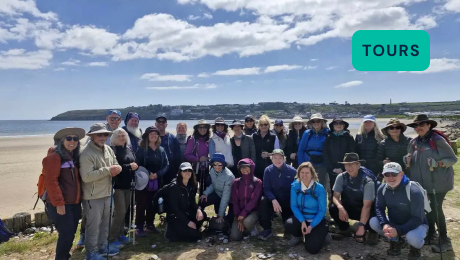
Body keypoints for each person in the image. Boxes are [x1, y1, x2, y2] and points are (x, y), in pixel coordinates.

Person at [405, 114, 457, 252]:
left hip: (438, 183)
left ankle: (444, 240)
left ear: (429, 125)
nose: (418, 128)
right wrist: (407, 161)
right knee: (427, 208)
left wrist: (439, 163)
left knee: (435, 208)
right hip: (420, 184)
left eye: (421, 124)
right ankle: (431, 234)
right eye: (416, 125)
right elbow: (409, 160)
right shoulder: (414, 142)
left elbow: (452, 158)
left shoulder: (437, 140)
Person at [42, 127, 85, 260]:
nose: (72, 141)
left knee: (71, 232)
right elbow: (51, 182)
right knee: (66, 234)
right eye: (69, 138)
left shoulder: (73, 156)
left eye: (75, 138)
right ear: (62, 140)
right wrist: (59, 203)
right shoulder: (54, 157)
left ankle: (65, 255)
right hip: (61, 204)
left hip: (74, 202)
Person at [80, 123, 121, 259]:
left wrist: (118, 169)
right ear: (92, 136)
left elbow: (115, 163)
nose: (102, 137)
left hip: (108, 193)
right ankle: (91, 253)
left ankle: (102, 247)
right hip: (93, 196)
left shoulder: (108, 149)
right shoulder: (86, 153)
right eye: (99, 134)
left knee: (105, 223)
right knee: (93, 226)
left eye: (105, 134)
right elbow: (86, 177)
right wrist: (108, 170)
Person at [370, 162, 428, 260]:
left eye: (394, 174)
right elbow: (379, 208)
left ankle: (415, 248)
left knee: (413, 238)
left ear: (401, 174)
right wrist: (384, 223)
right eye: (387, 174)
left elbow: (417, 218)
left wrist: (398, 230)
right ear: (383, 175)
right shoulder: (382, 188)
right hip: (395, 222)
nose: (390, 177)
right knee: (373, 222)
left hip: (417, 224)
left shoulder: (414, 191)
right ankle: (396, 241)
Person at [329, 153, 379, 245]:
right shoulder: (341, 177)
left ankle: (372, 233)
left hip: (365, 209)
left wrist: (361, 226)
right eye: (347, 164)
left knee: (374, 212)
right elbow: (335, 197)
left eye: (352, 164)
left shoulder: (368, 181)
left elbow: (367, 206)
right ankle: (344, 229)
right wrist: (340, 208)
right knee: (333, 207)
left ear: (358, 165)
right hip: (349, 207)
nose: (349, 167)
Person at [285, 162, 328, 254]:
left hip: (316, 220)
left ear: (312, 174)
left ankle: (323, 235)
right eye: (302, 172)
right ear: (298, 174)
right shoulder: (295, 186)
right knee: (289, 224)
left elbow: (322, 210)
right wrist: (302, 221)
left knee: (312, 249)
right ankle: (298, 236)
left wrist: (311, 226)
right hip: (302, 218)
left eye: (307, 173)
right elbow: (294, 206)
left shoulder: (319, 188)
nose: (304, 175)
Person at [135, 126, 169, 237]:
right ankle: (139, 226)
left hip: (157, 181)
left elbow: (166, 164)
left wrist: (157, 174)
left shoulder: (161, 149)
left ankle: (150, 224)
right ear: (147, 136)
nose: (153, 136)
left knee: (152, 203)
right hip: (143, 181)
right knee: (141, 204)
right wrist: (148, 173)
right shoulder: (141, 149)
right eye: (151, 134)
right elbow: (137, 164)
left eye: (156, 134)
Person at [108, 128, 138, 248]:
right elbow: (114, 168)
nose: (122, 137)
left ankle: (120, 234)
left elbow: (135, 161)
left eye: (123, 135)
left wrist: (135, 166)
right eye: (119, 135)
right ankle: (111, 238)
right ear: (114, 137)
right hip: (118, 186)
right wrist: (128, 167)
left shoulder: (129, 149)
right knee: (119, 213)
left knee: (124, 211)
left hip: (129, 185)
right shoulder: (113, 150)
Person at [258, 149, 296, 241]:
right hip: (273, 200)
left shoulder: (292, 171)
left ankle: (288, 229)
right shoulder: (268, 170)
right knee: (263, 201)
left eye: (280, 158)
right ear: (271, 159)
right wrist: (273, 200)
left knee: (289, 225)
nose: (277, 160)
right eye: (275, 158)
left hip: (287, 201)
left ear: (284, 159)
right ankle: (267, 229)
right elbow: (266, 188)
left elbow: (295, 189)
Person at [164, 162, 207, 242]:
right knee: (196, 236)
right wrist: (188, 222)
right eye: (185, 170)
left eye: (189, 170)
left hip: (186, 213)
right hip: (175, 216)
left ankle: (190, 229)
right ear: (180, 172)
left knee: (202, 215)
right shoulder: (174, 187)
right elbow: (174, 209)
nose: (188, 172)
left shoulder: (192, 185)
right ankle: (171, 232)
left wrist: (198, 210)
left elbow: (192, 202)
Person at [297, 113, 330, 196]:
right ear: (311, 123)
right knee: (307, 185)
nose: (316, 123)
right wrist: (302, 165)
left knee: (321, 186)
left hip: (322, 163)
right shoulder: (307, 133)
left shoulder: (328, 133)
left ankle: (321, 205)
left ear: (322, 122)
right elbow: (301, 150)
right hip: (308, 163)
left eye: (318, 121)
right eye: (313, 122)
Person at [230, 159, 262, 241]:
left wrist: (243, 214)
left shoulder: (257, 182)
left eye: (246, 167)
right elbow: (235, 201)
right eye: (242, 167)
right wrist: (238, 217)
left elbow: (254, 201)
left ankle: (253, 226)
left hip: (252, 212)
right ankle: (245, 229)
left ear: (251, 168)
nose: (244, 169)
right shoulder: (236, 182)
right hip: (239, 213)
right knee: (235, 237)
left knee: (247, 222)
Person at [199, 153, 235, 227]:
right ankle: (199, 218)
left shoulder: (229, 176)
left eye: (219, 165)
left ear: (223, 165)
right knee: (202, 200)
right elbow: (213, 185)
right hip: (218, 194)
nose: (217, 167)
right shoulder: (212, 170)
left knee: (229, 220)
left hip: (230, 199)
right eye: (215, 164)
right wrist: (206, 193)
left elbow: (226, 196)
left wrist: (220, 215)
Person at [323, 117, 355, 194]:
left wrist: (343, 168)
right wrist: (332, 168)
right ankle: (333, 204)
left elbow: (352, 153)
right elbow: (325, 154)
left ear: (344, 125)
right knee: (332, 189)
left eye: (341, 123)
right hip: (332, 169)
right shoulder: (328, 138)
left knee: (346, 190)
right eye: (336, 123)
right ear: (332, 126)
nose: (338, 125)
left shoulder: (349, 137)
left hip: (346, 169)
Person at [184, 119, 211, 195]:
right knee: (192, 189)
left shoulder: (209, 140)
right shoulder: (192, 139)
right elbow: (187, 154)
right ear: (197, 129)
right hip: (194, 168)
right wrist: (198, 159)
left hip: (205, 169)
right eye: (200, 127)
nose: (202, 129)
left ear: (207, 129)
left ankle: (201, 206)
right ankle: (191, 205)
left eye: (204, 127)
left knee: (203, 189)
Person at [155, 116, 182, 185]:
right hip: (155, 171)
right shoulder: (151, 137)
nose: (161, 123)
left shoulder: (172, 138)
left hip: (170, 171)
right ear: (155, 124)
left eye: (163, 122)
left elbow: (178, 156)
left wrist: (178, 172)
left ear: (166, 125)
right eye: (159, 122)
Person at [252, 115, 277, 180]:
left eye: (265, 124)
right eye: (261, 125)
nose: (263, 126)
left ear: (269, 125)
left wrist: (269, 154)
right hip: (256, 166)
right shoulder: (253, 136)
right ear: (259, 126)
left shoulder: (273, 137)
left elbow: (278, 152)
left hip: (270, 165)